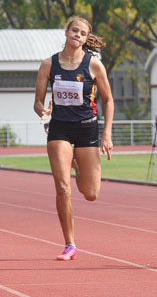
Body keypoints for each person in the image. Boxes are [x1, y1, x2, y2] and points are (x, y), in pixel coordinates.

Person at [33, 16, 114, 261]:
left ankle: (76, 163)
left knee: (91, 193)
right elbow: (37, 101)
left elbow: (108, 101)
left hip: (87, 129)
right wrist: (43, 111)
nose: (77, 35)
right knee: (62, 187)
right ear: (66, 32)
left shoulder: (94, 65)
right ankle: (69, 244)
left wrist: (107, 134)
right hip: (59, 129)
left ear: (86, 38)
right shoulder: (49, 64)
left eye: (82, 33)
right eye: (74, 30)